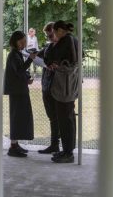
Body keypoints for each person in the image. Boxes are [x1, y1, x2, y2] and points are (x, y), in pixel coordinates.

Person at [49, 20, 80, 164]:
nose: (53, 35)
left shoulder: (65, 41)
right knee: (69, 119)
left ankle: (68, 153)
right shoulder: (74, 40)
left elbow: (50, 55)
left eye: (54, 32)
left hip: (64, 88)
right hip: (71, 86)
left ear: (60, 30)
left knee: (65, 120)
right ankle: (68, 150)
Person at [4, 30, 36, 157]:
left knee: (20, 117)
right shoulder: (13, 55)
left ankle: (15, 144)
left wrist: (26, 79)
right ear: (15, 42)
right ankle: (13, 146)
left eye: (24, 41)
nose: (23, 43)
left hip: (19, 89)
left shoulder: (17, 54)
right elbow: (19, 71)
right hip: (17, 91)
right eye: (21, 41)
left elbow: (19, 72)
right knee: (17, 117)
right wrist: (30, 59)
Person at [35, 22, 60, 154]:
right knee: (52, 117)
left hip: (58, 88)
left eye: (50, 35)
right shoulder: (48, 47)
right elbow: (36, 57)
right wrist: (45, 64)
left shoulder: (63, 47)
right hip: (47, 86)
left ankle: (58, 145)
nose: (49, 38)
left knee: (58, 117)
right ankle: (54, 144)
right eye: (47, 36)